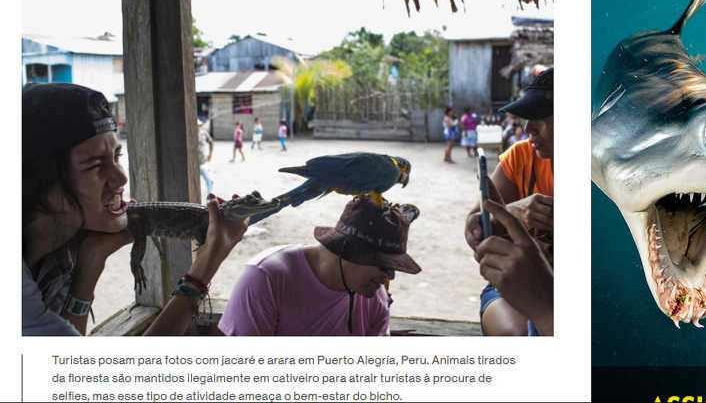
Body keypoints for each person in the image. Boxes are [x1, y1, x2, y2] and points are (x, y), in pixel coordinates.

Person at [22, 83, 249, 336]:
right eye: (95, 164)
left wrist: (90, 263)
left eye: (117, 157)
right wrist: (205, 265)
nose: (121, 178)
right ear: (40, 182)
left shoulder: (59, 255)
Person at [218, 196, 422, 336]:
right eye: (383, 265)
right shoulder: (265, 278)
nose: (390, 276)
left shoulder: (374, 295)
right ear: (347, 252)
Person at [465, 67, 554, 336]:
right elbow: (474, 228)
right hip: (518, 280)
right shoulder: (520, 157)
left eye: (542, 117)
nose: (529, 129)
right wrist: (512, 212)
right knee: (514, 334)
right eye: (528, 118)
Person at [198, 119, 214, 194]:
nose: (198, 127)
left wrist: (210, 154)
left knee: (207, 178)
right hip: (194, 162)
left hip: (202, 161)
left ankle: (210, 194)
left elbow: (211, 142)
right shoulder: (191, 134)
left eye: (199, 125)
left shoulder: (204, 133)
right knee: (206, 179)